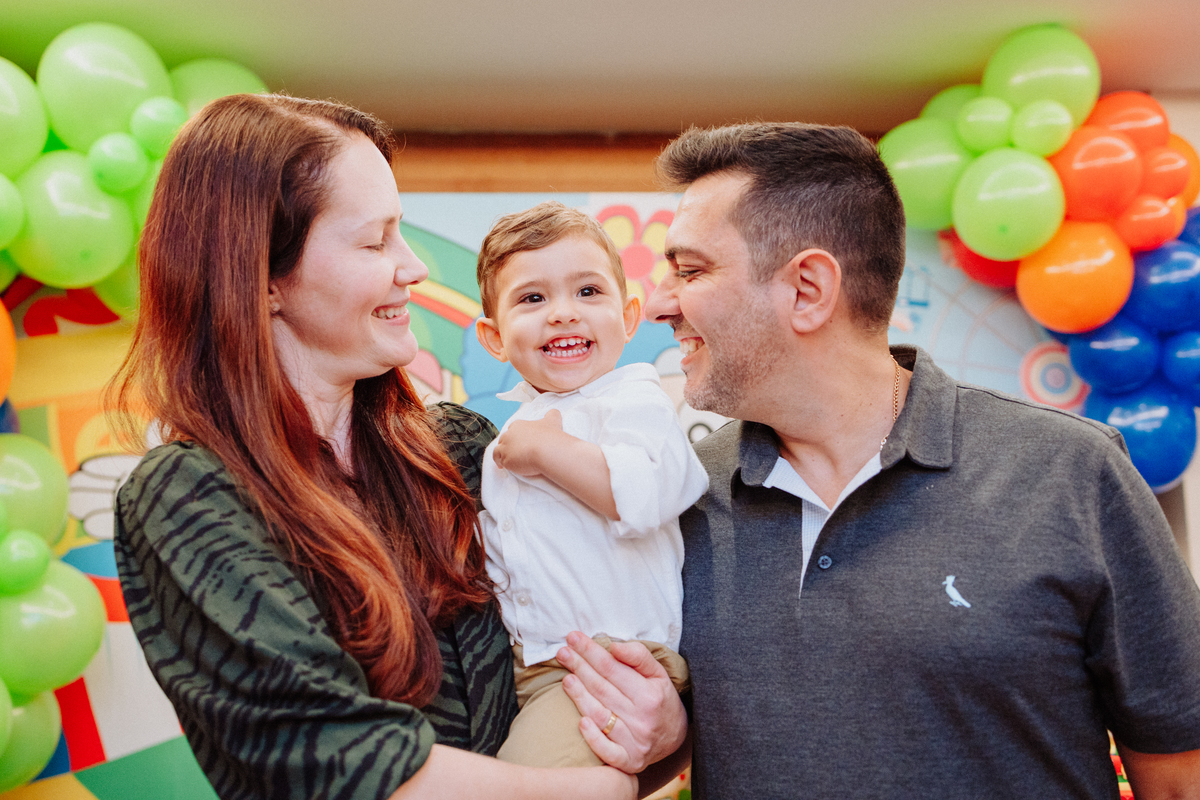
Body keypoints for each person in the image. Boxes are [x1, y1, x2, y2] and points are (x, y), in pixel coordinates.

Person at [108, 93, 685, 800]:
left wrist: (665, 728)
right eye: (376, 240)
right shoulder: (188, 496)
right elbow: (325, 752)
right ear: (261, 279)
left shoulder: (466, 451)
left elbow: (576, 692)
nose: (413, 267)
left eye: (402, 234)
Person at [640, 122, 1200, 799]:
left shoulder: (1071, 473)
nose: (657, 304)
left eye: (691, 270)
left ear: (808, 288)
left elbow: (1178, 776)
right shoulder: (676, 497)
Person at [472, 201, 708, 768]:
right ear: (494, 338)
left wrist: (551, 453)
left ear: (628, 317)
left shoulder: (634, 399)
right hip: (533, 664)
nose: (563, 315)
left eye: (587, 292)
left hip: (613, 662)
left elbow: (647, 494)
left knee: (528, 784)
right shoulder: (516, 428)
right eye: (532, 299)